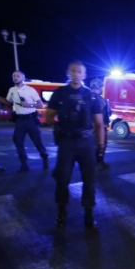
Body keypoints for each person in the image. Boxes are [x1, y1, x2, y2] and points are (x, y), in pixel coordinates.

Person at [45, 61, 104, 229]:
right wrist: (61, 126)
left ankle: (88, 213)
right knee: (62, 179)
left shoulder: (92, 96)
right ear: (68, 72)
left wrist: (100, 147)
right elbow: (49, 117)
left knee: (89, 179)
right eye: (73, 71)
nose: (76, 74)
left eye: (80, 71)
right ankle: (62, 211)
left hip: (86, 141)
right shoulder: (59, 94)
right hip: (67, 142)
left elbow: (99, 124)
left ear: (84, 75)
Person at [6, 71, 49, 172]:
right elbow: (8, 101)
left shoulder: (30, 90)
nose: (15, 78)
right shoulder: (12, 90)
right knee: (18, 142)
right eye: (14, 76)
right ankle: (24, 164)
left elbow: (40, 104)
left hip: (31, 120)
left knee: (38, 142)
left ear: (23, 78)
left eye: (18, 76)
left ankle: (45, 157)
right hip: (19, 121)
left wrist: (29, 105)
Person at [89, 78, 111, 171]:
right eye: (101, 86)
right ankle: (99, 162)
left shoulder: (88, 97)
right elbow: (104, 113)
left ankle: (95, 163)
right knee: (101, 145)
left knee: (93, 144)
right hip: (99, 125)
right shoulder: (99, 99)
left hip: (90, 126)